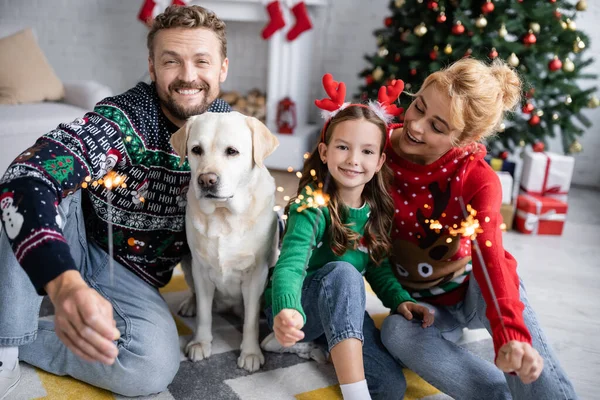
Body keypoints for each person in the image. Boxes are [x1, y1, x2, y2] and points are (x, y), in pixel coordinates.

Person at [0, 5, 232, 398]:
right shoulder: (121, 120)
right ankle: (5, 347)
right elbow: (26, 177)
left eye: (202, 61)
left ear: (222, 68)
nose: (188, 76)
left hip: (132, 275)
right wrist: (65, 285)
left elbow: (252, 211)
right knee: (23, 188)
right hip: (78, 237)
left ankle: (27, 335)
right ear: (152, 67)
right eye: (171, 61)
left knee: (150, 367)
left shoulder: (233, 131)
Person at [380, 58, 578, 399]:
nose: (416, 126)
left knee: (518, 342)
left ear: (465, 138)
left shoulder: (477, 178)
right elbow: (342, 139)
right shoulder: (377, 148)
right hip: (424, 305)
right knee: (395, 333)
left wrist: (510, 336)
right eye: (418, 107)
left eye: (438, 127)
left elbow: (490, 255)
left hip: (475, 288)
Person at [262, 74, 434, 400]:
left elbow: (377, 266)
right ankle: (346, 384)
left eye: (367, 151)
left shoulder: (377, 209)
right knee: (343, 272)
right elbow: (291, 263)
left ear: (380, 160)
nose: (354, 159)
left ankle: (326, 342)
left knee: (391, 386)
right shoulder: (312, 205)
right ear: (325, 152)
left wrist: (400, 300)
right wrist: (285, 308)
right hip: (299, 305)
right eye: (343, 147)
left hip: (341, 304)